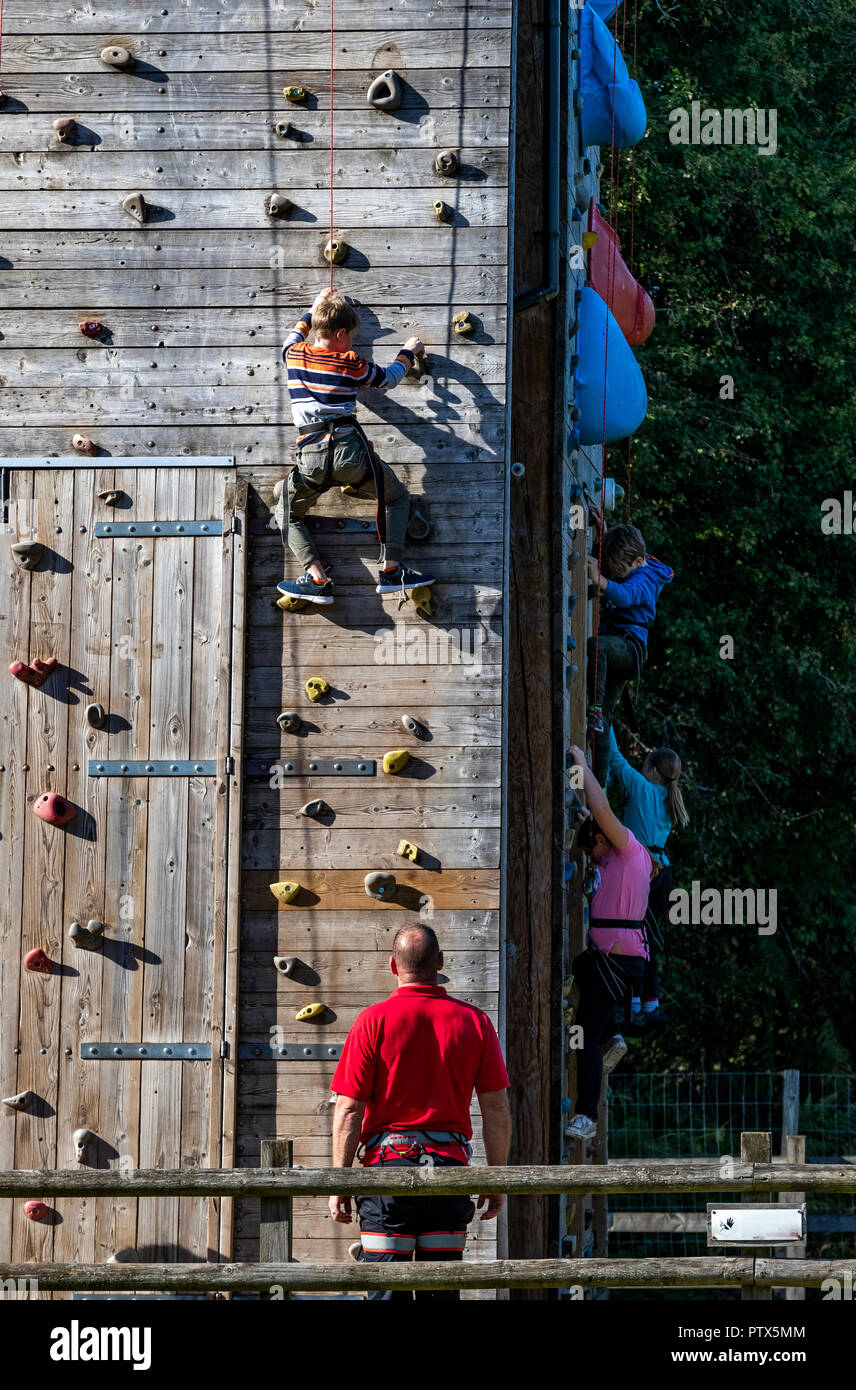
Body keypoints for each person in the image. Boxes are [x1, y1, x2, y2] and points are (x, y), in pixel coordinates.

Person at [328, 923, 511, 1301]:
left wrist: (340, 1183)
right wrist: (495, 1179)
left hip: (386, 1176)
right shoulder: (474, 1022)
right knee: (440, 1294)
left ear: (393, 966)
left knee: (386, 1292)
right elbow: (496, 1109)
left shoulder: (371, 1022)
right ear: (440, 962)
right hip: (449, 1175)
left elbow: (349, 1109)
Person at [275, 288, 434, 604]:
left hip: (311, 459)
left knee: (287, 513)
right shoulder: (350, 362)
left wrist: (314, 307)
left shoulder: (293, 354)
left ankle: (318, 578)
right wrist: (408, 351)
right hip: (351, 455)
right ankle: (390, 569)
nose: (352, 344)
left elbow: (293, 336)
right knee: (398, 498)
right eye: (351, 337)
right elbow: (388, 379)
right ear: (340, 334)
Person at [565, 746, 654, 1142]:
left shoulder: (627, 846)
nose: (593, 859)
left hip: (616, 960)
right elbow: (592, 820)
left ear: (603, 837)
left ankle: (586, 1117)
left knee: (583, 1031)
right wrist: (582, 816)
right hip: (609, 958)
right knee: (579, 968)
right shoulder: (612, 856)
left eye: (592, 849)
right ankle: (613, 1033)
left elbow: (600, 807)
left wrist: (582, 768)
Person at [608, 727, 689, 1026]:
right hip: (663, 872)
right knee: (647, 940)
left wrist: (608, 722)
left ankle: (633, 1004)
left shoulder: (642, 788)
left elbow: (615, 759)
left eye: (645, 767)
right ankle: (650, 1003)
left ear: (653, 771)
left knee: (630, 936)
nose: (642, 770)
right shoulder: (670, 798)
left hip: (641, 872)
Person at [586, 514, 674, 785]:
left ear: (637, 562)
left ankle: (595, 709)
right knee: (603, 730)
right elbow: (623, 570)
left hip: (629, 649)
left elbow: (627, 594)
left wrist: (600, 582)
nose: (618, 578)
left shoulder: (645, 578)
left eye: (621, 573)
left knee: (595, 646)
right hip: (619, 648)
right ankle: (599, 787)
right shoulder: (636, 564)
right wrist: (606, 534)